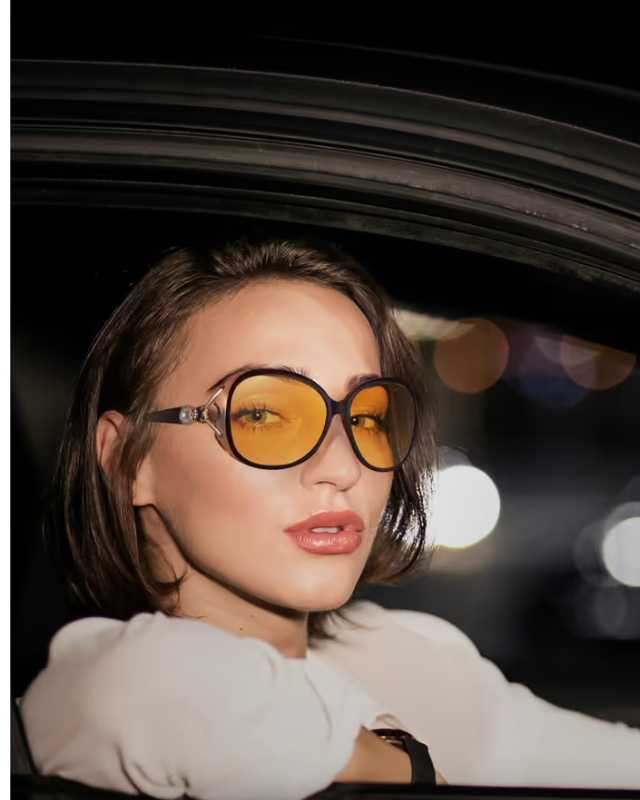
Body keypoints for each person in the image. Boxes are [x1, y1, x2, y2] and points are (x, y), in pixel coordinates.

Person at [20, 241, 640, 800]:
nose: (343, 465)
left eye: (367, 416)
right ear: (127, 462)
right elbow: (138, 687)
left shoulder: (405, 659)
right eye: (262, 415)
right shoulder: (115, 687)